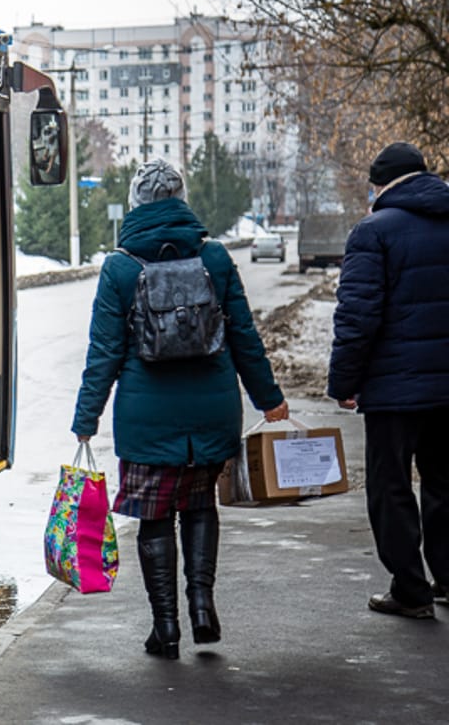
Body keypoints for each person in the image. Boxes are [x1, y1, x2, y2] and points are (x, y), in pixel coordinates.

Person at [71, 159, 288, 660]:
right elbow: (245, 339)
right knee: (199, 505)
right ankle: (202, 606)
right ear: (181, 198)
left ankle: (166, 627)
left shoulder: (121, 267)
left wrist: (86, 419)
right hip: (212, 412)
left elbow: (103, 353)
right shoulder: (213, 258)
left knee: (153, 519)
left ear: (136, 203)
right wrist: (269, 400)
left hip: (147, 421)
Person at [327, 142, 449, 620]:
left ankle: (411, 590)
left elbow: (356, 318)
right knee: (444, 482)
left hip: (394, 391)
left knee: (391, 486)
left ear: (381, 185)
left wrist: (344, 383)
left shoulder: (373, 232)